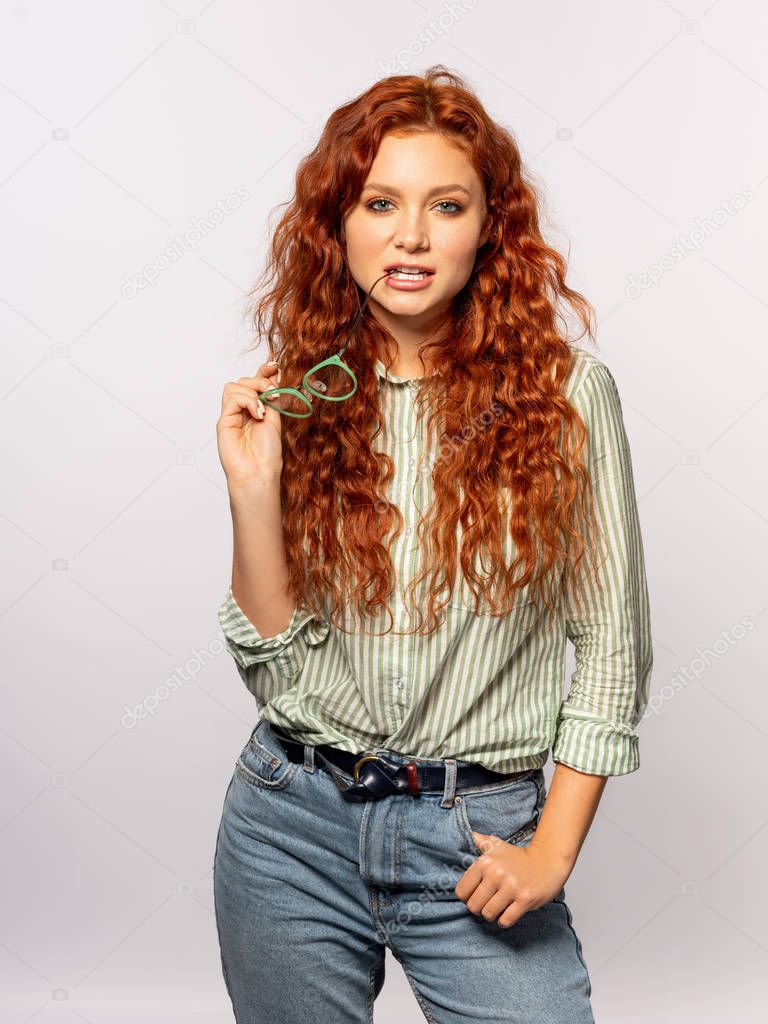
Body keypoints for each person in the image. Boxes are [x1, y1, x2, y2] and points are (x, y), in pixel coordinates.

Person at [212, 65, 652, 1024]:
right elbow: (278, 670)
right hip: (291, 821)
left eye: (445, 204)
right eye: (380, 202)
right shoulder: (302, 395)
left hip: (475, 833)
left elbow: (613, 651)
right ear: (340, 225)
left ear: (488, 226)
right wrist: (253, 494)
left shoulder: (569, 397)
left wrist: (552, 852)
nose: (411, 234)